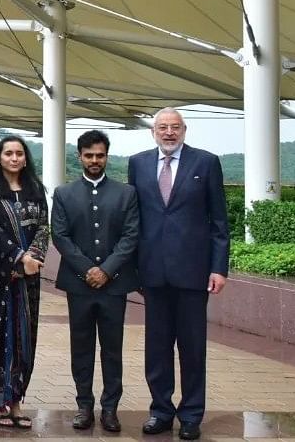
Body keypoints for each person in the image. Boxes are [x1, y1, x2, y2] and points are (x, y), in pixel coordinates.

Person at [128, 108, 229, 441]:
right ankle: (160, 410)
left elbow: (219, 222)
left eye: (174, 127)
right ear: (152, 132)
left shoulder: (206, 162)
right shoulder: (138, 163)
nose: (168, 133)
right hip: (152, 273)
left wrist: (218, 268)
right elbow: (134, 220)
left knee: (192, 347)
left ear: (185, 130)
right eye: (162, 127)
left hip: (193, 273)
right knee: (156, 347)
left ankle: (191, 415)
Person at [51, 129, 140, 433]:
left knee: (113, 348)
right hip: (79, 285)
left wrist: (107, 270)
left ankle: (111, 408)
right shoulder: (64, 193)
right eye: (89, 155)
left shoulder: (125, 193)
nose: (94, 160)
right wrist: (87, 269)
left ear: (107, 156)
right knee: (82, 346)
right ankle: (84, 405)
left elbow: (131, 235)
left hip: (115, 285)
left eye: (100, 155)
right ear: (79, 157)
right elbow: (60, 236)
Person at [0, 134, 49, 429]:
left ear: (25, 158)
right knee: (0, 339)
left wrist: (35, 258)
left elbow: (44, 227)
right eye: (8, 153)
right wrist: (19, 259)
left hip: (29, 280)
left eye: (19, 153)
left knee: (25, 340)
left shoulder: (36, 189)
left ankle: (16, 401)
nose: (14, 158)